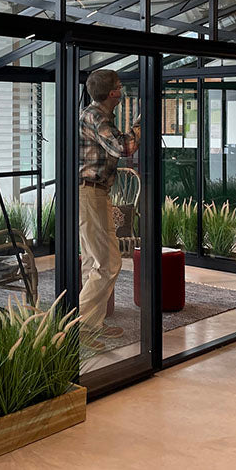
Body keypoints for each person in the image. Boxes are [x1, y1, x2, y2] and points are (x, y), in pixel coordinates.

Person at [78, 69, 140, 346]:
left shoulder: (96, 115)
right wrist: (140, 126)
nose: (122, 89)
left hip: (92, 193)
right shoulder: (95, 116)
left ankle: (91, 325)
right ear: (112, 92)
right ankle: (80, 329)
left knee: (93, 260)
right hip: (90, 193)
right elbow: (123, 147)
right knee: (109, 262)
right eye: (119, 86)